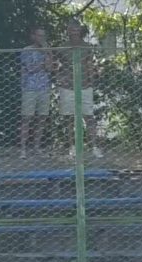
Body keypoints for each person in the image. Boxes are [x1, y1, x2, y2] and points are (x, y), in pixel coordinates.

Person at [57, 20, 103, 159]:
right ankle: (72, 148)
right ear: (68, 31)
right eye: (72, 30)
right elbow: (57, 65)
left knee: (89, 117)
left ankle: (94, 147)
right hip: (68, 87)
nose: (74, 33)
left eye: (76, 30)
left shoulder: (86, 47)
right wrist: (61, 78)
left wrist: (92, 81)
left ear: (80, 31)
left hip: (84, 86)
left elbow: (90, 65)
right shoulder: (62, 47)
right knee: (69, 118)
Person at [19, 27, 53, 159]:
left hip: (44, 87)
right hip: (29, 87)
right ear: (33, 36)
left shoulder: (47, 51)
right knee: (26, 118)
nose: (41, 38)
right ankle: (23, 149)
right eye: (39, 35)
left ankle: (37, 148)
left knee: (42, 118)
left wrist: (48, 55)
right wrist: (43, 64)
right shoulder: (26, 50)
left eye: (43, 36)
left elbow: (50, 68)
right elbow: (30, 68)